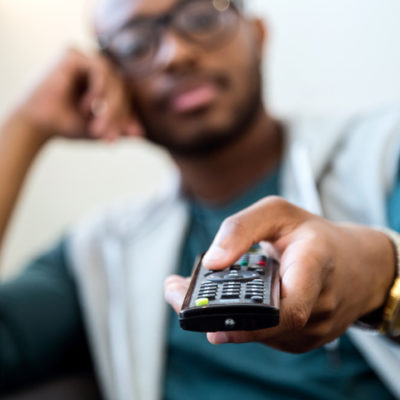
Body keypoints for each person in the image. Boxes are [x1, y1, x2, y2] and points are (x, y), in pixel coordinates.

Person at [0, 0, 399, 398]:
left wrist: (380, 278)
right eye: (136, 44)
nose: (177, 53)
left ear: (258, 34)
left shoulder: (385, 152)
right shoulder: (98, 253)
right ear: (109, 78)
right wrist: (24, 124)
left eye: (202, 18)